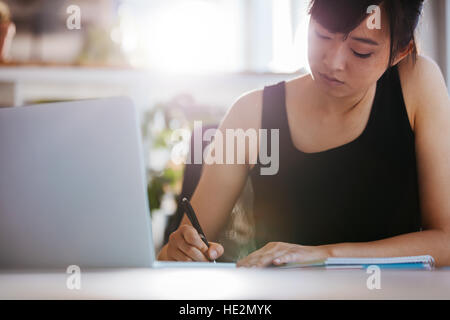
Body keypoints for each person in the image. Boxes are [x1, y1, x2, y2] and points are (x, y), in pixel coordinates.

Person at [158, 0, 450, 267]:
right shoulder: (250, 114)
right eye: (323, 35)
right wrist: (180, 250)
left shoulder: (416, 83)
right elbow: (179, 253)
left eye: (361, 51)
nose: (333, 62)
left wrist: (324, 255)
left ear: (400, 52)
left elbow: (446, 239)